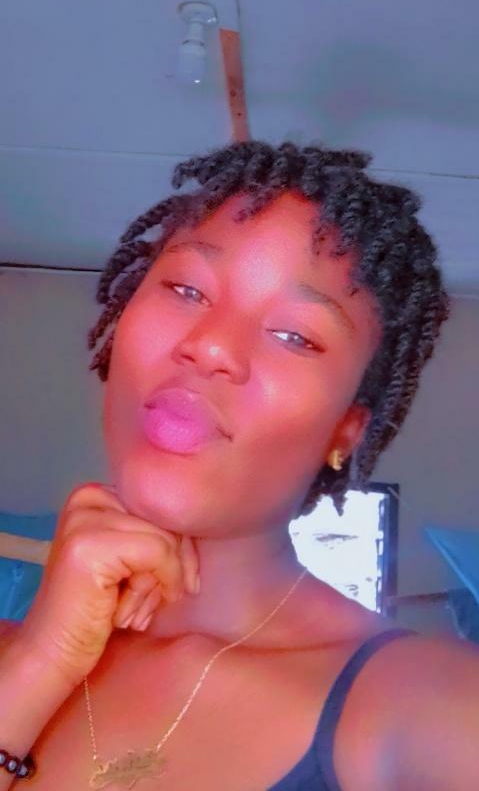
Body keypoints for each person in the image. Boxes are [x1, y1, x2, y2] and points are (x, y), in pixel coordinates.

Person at [1, 139, 478, 790]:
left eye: (293, 335)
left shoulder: (425, 707)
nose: (210, 347)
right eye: (185, 288)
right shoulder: (17, 656)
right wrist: (37, 665)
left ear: (346, 428)